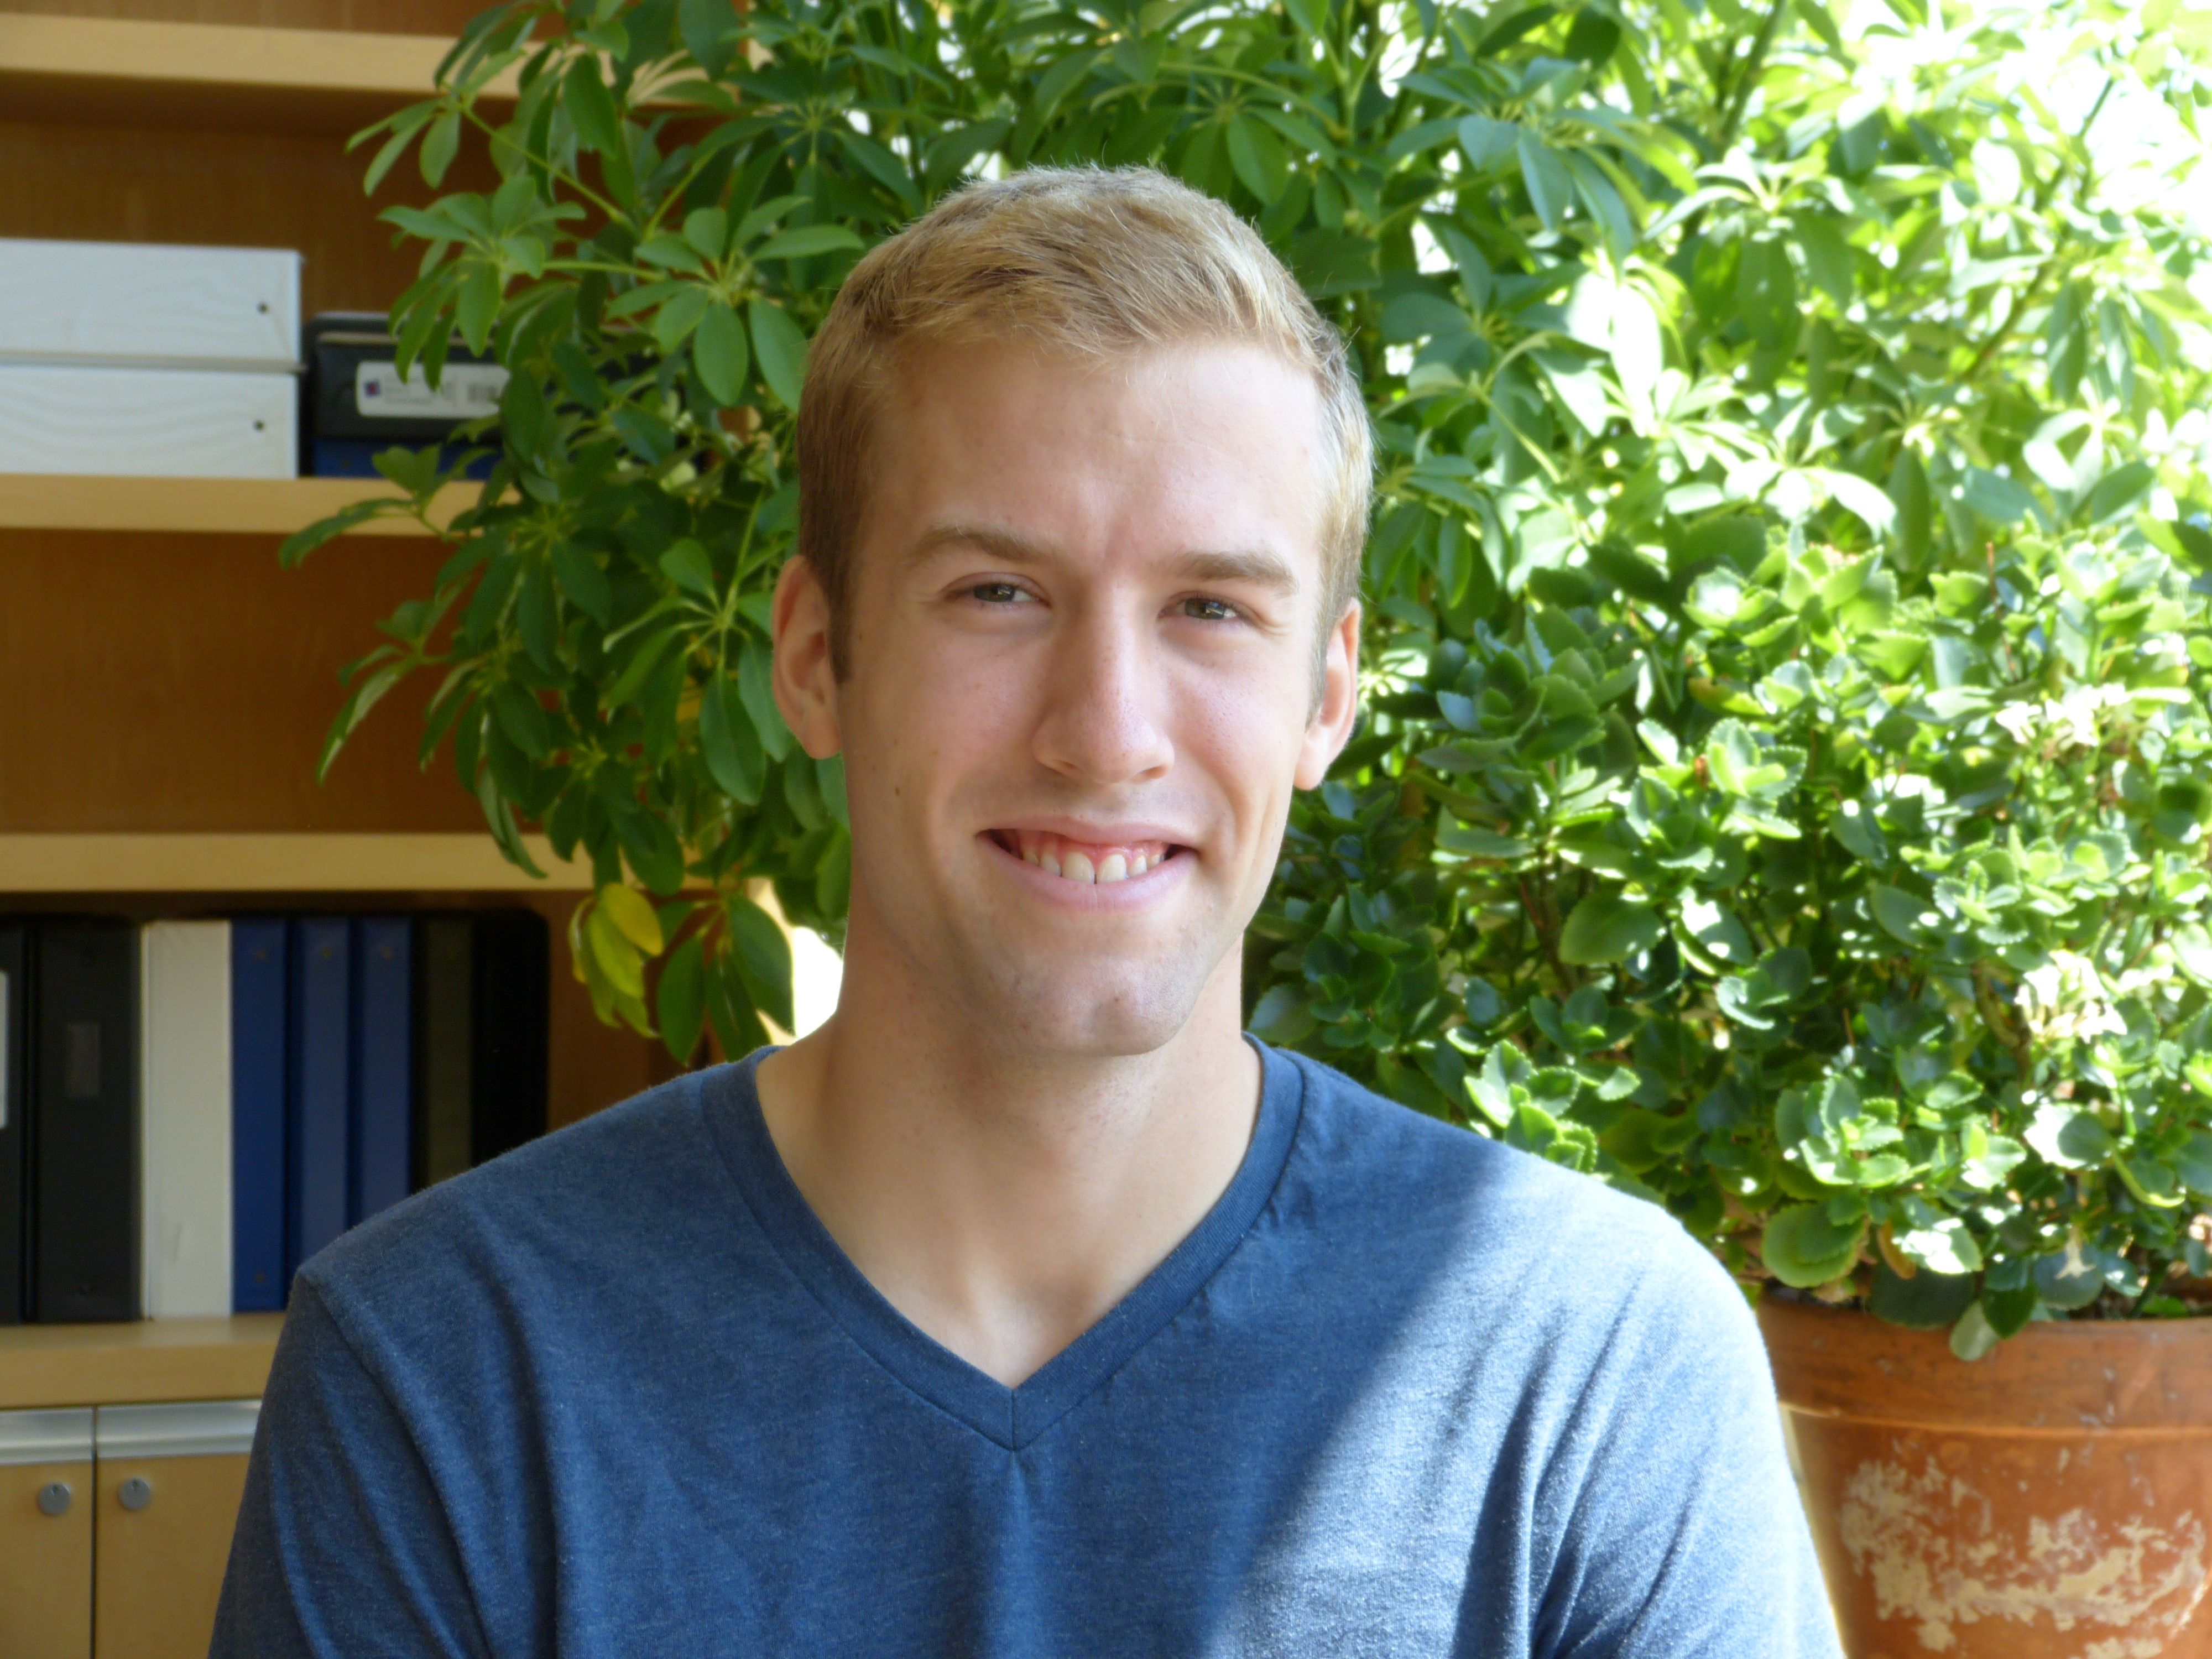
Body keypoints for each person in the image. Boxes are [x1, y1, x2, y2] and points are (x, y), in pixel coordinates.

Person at [211, 166, 1840, 1657]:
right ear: (815, 657)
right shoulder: (446, 1373)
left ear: (1327, 695)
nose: (1105, 732)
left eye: (1211, 608)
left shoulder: (1591, 1373)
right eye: (997, 593)